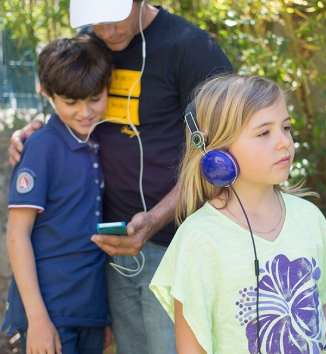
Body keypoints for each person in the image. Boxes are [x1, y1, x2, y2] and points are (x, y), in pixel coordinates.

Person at [8, 1, 232, 353]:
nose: (106, 31)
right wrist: (38, 129)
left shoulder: (192, 49)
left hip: (175, 243)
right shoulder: (91, 41)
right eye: (94, 22)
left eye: (113, 18)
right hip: (110, 247)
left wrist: (156, 218)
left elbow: (218, 152)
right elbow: (67, 98)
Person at [149, 74, 326, 354]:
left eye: (286, 127)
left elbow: (320, 306)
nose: (284, 142)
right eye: (263, 132)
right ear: (216, 152)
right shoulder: (198, 239)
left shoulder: (308, 217)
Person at [2, 35, 114, 354]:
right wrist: (38, 320)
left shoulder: (96, 142)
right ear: (48, 94)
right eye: (71, 102)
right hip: (48, 312)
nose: (85, 112)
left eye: (95, 98)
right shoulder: (40, 146)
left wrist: (100, 316)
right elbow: (16, 236)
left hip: (88, 310)